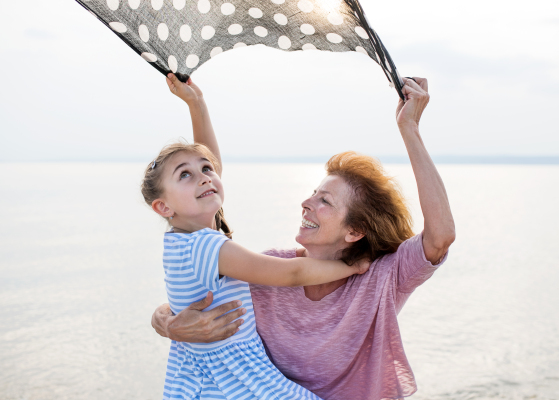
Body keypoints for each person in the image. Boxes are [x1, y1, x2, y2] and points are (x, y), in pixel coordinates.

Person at [152, 74, 455, 399]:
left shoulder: (380, 275)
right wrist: (167, 322)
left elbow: (440, 237)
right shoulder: (272, 269)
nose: (305, 203)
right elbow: (202, 285)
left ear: (354, 231)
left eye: (324, 201)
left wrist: (410, 129)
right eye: (313, 193)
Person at [141, 140, 371, 399]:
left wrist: (197, 103)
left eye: (207, 169)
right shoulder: (206, 245)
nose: (204, 178)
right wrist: (349, 267)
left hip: (200, 374)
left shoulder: (180, 242)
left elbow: (208, 161)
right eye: (185, 174)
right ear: (164, 207)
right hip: (233, 376)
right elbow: (290, 273)